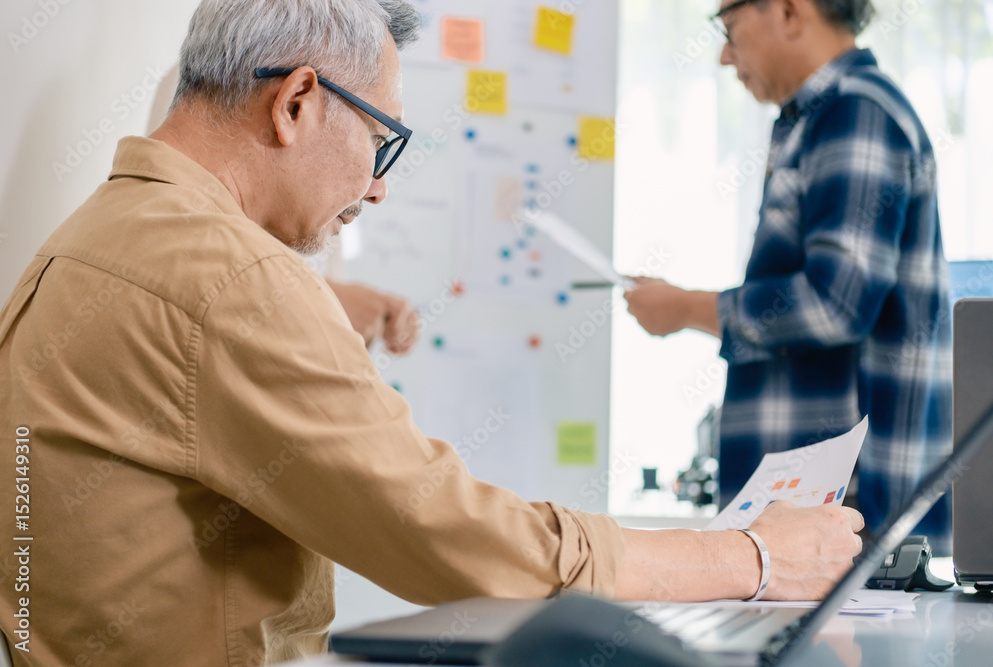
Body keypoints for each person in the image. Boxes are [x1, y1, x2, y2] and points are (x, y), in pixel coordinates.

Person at [0, 1, 863, 665]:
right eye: (382, 141)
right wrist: (748, 556)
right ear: (297, 101)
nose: (377, 190)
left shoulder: (87, 242)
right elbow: (455, 536)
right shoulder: (232, 281)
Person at [624, 0, 952, 551]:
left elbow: (834, 304)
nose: (726, 57)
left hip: (853, 514)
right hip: (830, 516)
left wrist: (684, 309)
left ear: (789, 12)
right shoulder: (819, 119)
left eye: (729, 30)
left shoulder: (856, 113)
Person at [148, 65, 421, 356]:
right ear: (293, 107)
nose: (378, 193)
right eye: (372, 140)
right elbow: (179, 254)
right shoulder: (207, 85)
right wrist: (324, 304)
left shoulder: (324, 203)